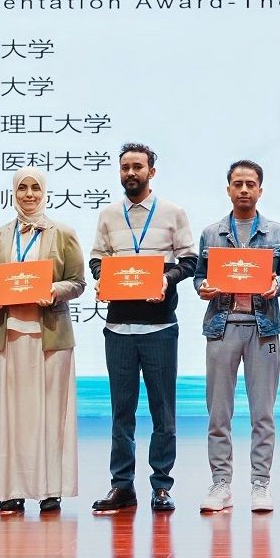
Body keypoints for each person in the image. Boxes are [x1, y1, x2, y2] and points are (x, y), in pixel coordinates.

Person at [88, 142, 196, 513]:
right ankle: (122, 486)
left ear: (151, 171)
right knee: (122, 413)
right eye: (125, 167)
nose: (131, 173)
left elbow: (189, 260)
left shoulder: (172, 213)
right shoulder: (108, 215)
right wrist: (102, 278)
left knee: (163, 412)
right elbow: (97, 259)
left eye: (138, 166)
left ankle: (161, 485)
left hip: (159, 327)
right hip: (118, 328)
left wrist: (166, 279)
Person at [0, 167, 86, 514]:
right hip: (9, 336)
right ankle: (10, 488)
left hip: (50, 338)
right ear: (14, 192)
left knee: (51, 415)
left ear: (44, 192)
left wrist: (53, 290)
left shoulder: (63, 233)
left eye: (36, 187)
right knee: (11, 416)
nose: (29, 194)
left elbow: (78, 282)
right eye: (23, 188)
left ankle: (51, 489)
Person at [192, 159, 280, 513]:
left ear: (260, 190)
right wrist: (203, 288)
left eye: (251, 184)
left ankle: (260, 484)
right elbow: (199, 276)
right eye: (238, 184)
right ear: (228, 189)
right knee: (218, 413)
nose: (245, 190)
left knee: (262, 414)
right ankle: (221, 483)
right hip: (221, 328)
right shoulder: (211, 233)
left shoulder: (277, 233)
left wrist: (278, 285)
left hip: (263, 329)